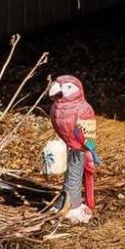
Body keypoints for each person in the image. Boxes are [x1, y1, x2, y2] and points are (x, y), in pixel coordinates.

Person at [45, 73, 99, 222]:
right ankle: (68, 202)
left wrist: (87, 149)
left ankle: (76, 204)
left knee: (84, 171)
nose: (61, 89)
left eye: (68, 87)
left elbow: (87, 138)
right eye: (59, 85)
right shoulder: (55, 108)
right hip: (68, 145)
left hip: (81, 147)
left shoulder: (82, 109)